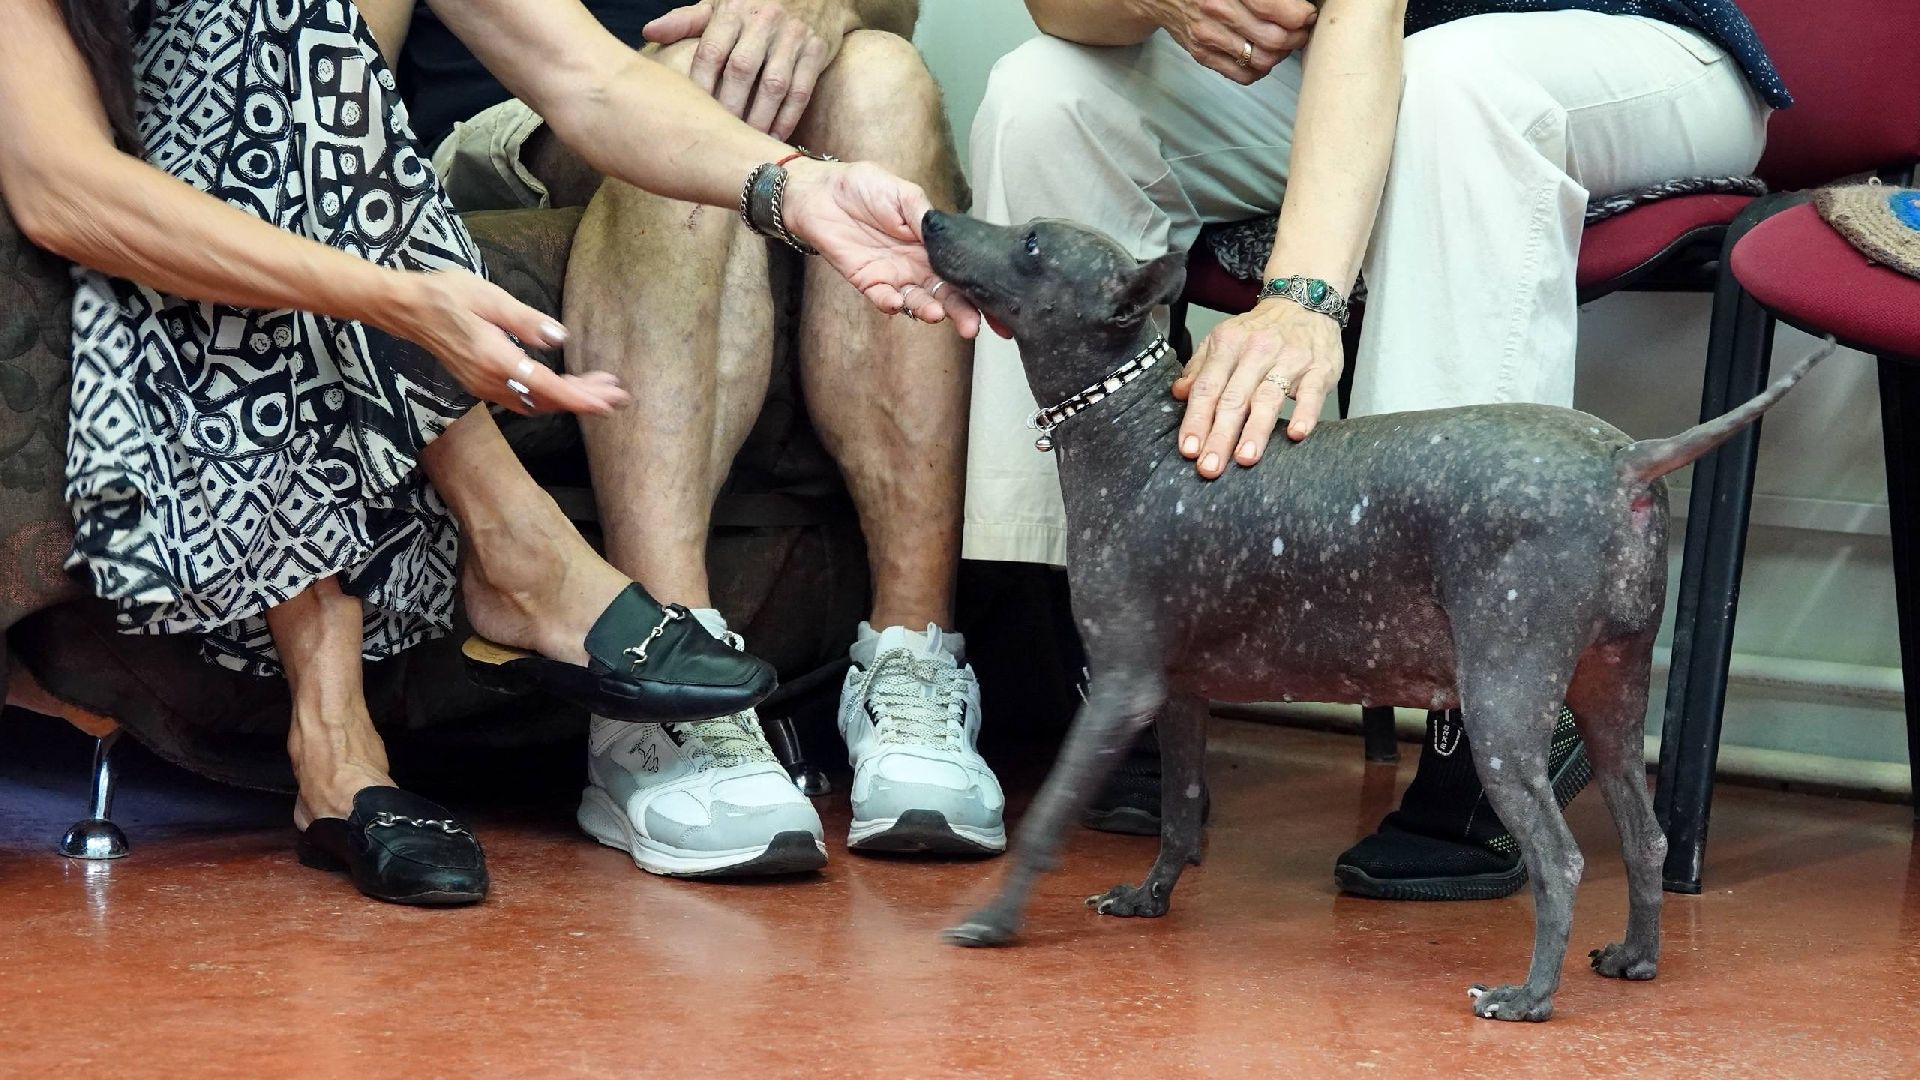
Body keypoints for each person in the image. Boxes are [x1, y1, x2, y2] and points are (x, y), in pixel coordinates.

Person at [0, 0, 973, 905]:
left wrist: (794, 185)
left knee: (275, 38)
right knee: (264, 48)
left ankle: (354, 732)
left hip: (239, 148)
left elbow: (589, 76)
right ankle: (513, 558)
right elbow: (60, 186)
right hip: (82, 169)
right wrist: (387, 296)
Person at [968, 0, 1788, 899]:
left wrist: (1302, 297)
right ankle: (1113, 652)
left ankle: (1487, 704)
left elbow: (1370, 18)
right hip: (1337, 76)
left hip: (1633, 47)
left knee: (1452, 80)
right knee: (1044, 94)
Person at [384, 0, 1003, 877]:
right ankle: (662, 685)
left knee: (884, 75)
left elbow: (892, 13)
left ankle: (913, 661)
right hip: (524, 113)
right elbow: (337, 68)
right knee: (695, 80)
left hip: (760, 92)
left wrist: (825, 6)